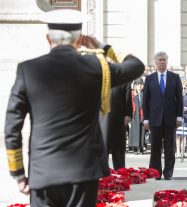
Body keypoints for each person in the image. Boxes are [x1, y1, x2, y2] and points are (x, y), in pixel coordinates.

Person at [4, 9, 144, 207]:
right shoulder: (97, 67)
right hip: (83, 172)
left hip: (43, 172)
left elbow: (11, 128)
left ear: (48, 38)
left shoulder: (28, 70)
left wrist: (18, 173)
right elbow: (136, 65)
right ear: (80, 41)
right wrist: (102, 47)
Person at [143, 51, 183, 180]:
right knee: (155, 147)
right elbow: (145, 100)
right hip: (154, 119)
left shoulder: (175, 77)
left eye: (164, 60)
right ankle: (155, 172)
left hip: (171, 119)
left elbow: (179, 99)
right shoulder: (149, 79)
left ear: (167, 61)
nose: (162, 62)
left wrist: (179, 116)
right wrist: (146, 119)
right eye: (159, 60)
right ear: (155, 62)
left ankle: (168, 173)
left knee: (170, 147)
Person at [106, 83, 132, 170]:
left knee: (118, 148)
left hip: (119, 118)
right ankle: (101, 176)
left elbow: (128, 97)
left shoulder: (124, 77)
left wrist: (128, 114)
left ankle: (120, 173)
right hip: (102, 118)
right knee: (102, 149)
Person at [176, 80, 187, 157]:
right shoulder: (177, 95)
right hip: (178, 117)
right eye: (182, 88)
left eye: (185, 88)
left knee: (184, 136)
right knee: (178, 136)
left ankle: (183, 152)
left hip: (186, 117)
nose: (183, 89)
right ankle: (178, 152)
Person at [128, 78, 146, 154]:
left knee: (142, 132)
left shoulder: (144, 93)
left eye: (140, 84)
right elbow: (130, 104)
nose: (138, 86)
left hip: (142, 115)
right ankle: (135, 147)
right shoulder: (131, 93)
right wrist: (135, 95)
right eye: (137, 84)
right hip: (134, 115)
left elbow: (144, 104)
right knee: (134, 131)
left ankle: (141, 147)